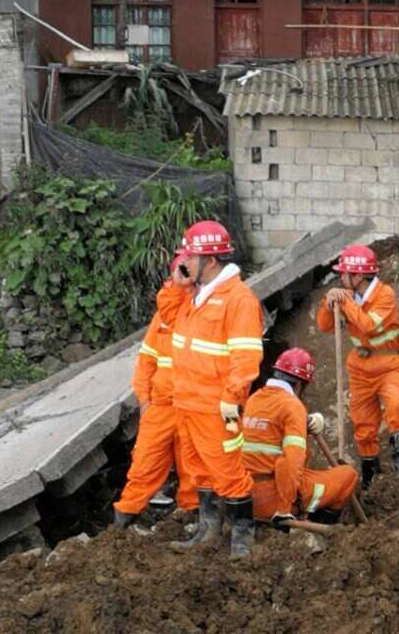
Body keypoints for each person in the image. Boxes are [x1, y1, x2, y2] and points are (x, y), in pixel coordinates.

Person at [168, 220, 265, 557]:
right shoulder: (192, 295)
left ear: (209, 261)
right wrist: (176, 283)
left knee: (228, 472)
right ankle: (209, 532)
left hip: (215, 407)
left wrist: (232, 399)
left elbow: (246, 355)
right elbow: (164, 316)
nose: (182, 261)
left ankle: (242, 539)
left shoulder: (237, 299)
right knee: (198, 472)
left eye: (188, 257)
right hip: (187, 403)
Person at [112, 254, 198, 527]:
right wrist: (145, 400)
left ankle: (191, 516)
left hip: (193, 405)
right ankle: (124, 522)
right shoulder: (163, 318)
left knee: (193, 466)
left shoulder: (205, 311)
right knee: (144, 464)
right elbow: (146, 361)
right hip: (161, 406)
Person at [315, 244, 399, 488]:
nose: (340, 278)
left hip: (388, 363)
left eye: (343, 273)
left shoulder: (385, 295)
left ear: (357, 276)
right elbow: (325, 326)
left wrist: (345, 301)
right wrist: (329, 303)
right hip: (360, 366)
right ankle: (371, 476)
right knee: (363, 424)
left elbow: (368, 325)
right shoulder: (348, 297)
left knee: (395, 405)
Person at [241, 348, 359, 528]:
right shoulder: (292, 406)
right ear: (298, 386)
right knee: (348, 475)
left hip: (246, 496)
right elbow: (292, 461)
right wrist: (283, 509)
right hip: (273, 501)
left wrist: (305, 423)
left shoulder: (254, 399)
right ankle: (318, 526)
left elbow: (271, 430)